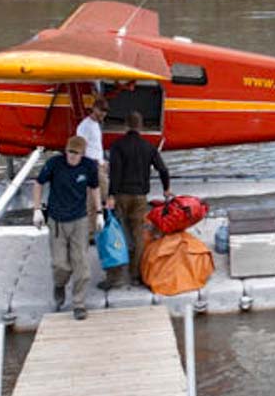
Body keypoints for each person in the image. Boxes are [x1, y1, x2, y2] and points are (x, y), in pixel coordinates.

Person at [32, 135, 104, 319]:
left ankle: (78, 303)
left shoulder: (89, 166)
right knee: (60, 264)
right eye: (69, 152)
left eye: (76, 153)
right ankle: (59, 284)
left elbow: (94, 188)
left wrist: (99, 212)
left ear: (82, 153)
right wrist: (37, 209)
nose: (71, 156)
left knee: (81, 265)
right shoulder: (55, 164)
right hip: (57, 220)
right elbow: (39, 183)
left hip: (79, 220)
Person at [103, 110, 171, 288]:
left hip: (121, 195)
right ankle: (136, 274)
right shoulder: (148, 147)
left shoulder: (118, 146)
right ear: (140, 127)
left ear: (125, 125)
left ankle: (116, 276)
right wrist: (166, 189)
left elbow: (115, 173)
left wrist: (110, 195)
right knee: (138, 235)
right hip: (140, 197)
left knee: (116, 234)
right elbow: (163, 169)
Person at [76, 97, 110, 195]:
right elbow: (80, 146)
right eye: (101, 110)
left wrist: (103, 162)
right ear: (94, 108)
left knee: (100, 197)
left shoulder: (95, 125)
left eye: (105, 111)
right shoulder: (85, 125)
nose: (103, 114)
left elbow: (95, 147)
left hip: (99, 165)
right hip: (92, 165)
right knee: (104, 195)